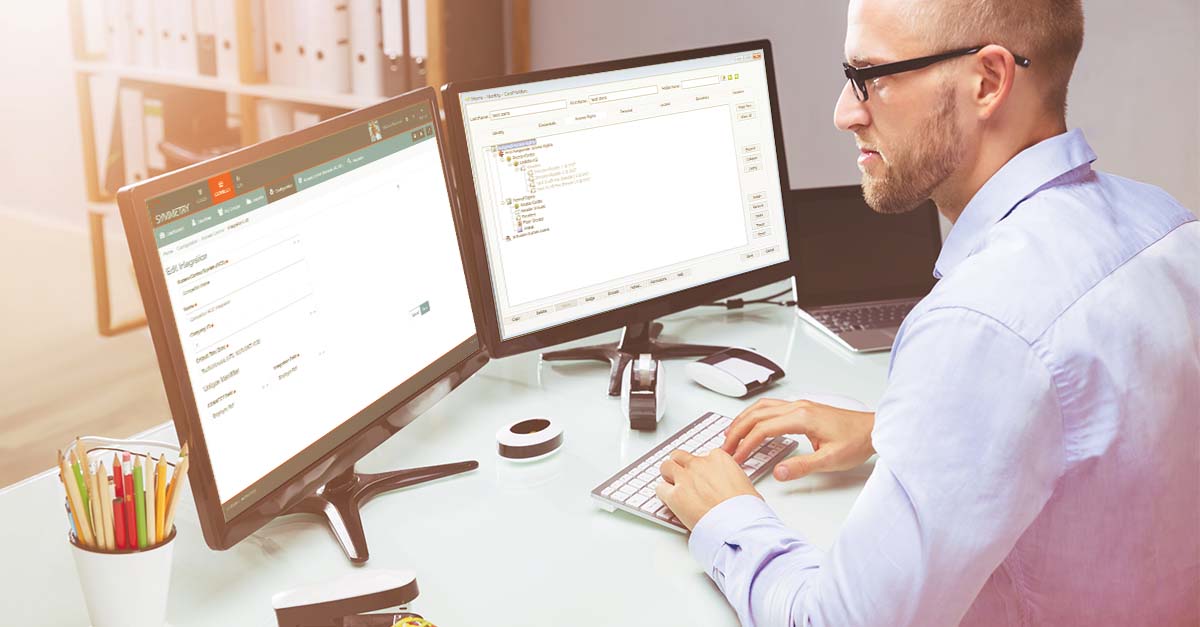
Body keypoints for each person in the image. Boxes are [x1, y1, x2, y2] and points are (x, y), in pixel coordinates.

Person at [655, 0, 1200, 624]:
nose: (844, 112)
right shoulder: (1168, 226)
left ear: (988, 82)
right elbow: (1107, 453)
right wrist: (891, 432)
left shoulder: (983, 324)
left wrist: (727, 517)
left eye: (872, 76)